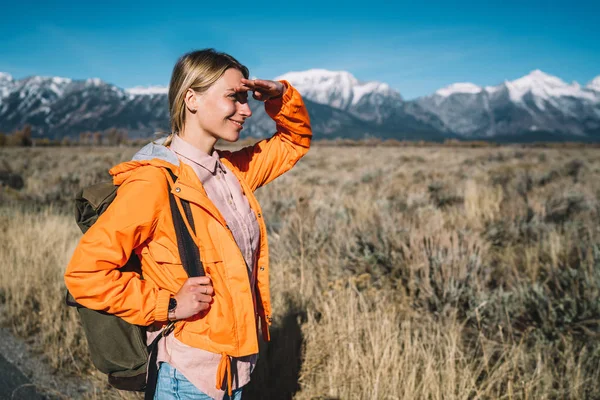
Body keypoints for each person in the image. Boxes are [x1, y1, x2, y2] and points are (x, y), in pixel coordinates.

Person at [64, 48, 312, 399]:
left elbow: (294, 141)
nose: (246, 110)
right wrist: (167, 305)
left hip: (236, 372)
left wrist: (281, 96)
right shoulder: (152, 183)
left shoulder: (232, 172)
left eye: (246, 98)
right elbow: (85, 276)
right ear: (191, 99)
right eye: (234, 98)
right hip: (188, 378)